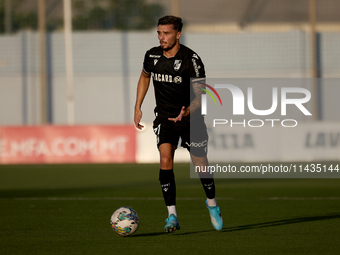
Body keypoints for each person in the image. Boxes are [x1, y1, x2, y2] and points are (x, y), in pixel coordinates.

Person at [134, 15, 223, 232]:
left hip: (191, 119)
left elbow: (200, 95)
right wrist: (138, 106)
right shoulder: (152, 55)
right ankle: (172, 216)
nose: (161, 37)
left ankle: (212, 204)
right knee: (165, 159)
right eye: (159, 33)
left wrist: (186, 111)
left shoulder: (191, 60)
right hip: (165, 118)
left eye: (166, 33)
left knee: (201, 164)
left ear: (178, 34)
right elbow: (145, 76)